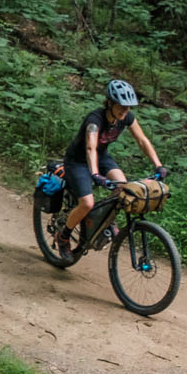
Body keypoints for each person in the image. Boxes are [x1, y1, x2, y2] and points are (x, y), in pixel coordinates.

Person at [54, 79, 164, 259]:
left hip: (102, 156)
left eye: (127, 107)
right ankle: (63, 236)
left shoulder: (126, 117)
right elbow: (90, 147)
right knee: (87, 203)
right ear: (110, 103)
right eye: (121, 106)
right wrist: (95, 174)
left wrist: (158, 165)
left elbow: (143, 141)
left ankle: (103, 221)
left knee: (123, 188)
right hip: (78, 161)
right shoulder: (95, 119)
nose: (124, 111)